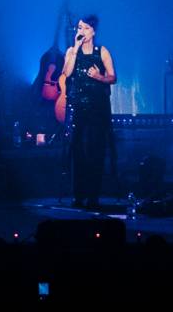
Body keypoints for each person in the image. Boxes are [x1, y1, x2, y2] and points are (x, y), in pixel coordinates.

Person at [62, 15, 116, 209]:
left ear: (93, 31)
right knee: (77, 149)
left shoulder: (101, 52)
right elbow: (67, 73)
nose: (81, 31)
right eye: (79, 28)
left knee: (95, 150)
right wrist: (75, 50)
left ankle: (93, 195)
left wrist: (98, 77)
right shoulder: (71, 51)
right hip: (78, 106)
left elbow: (112, 77)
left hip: (98, 107)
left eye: (84, 28)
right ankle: (78, 195)